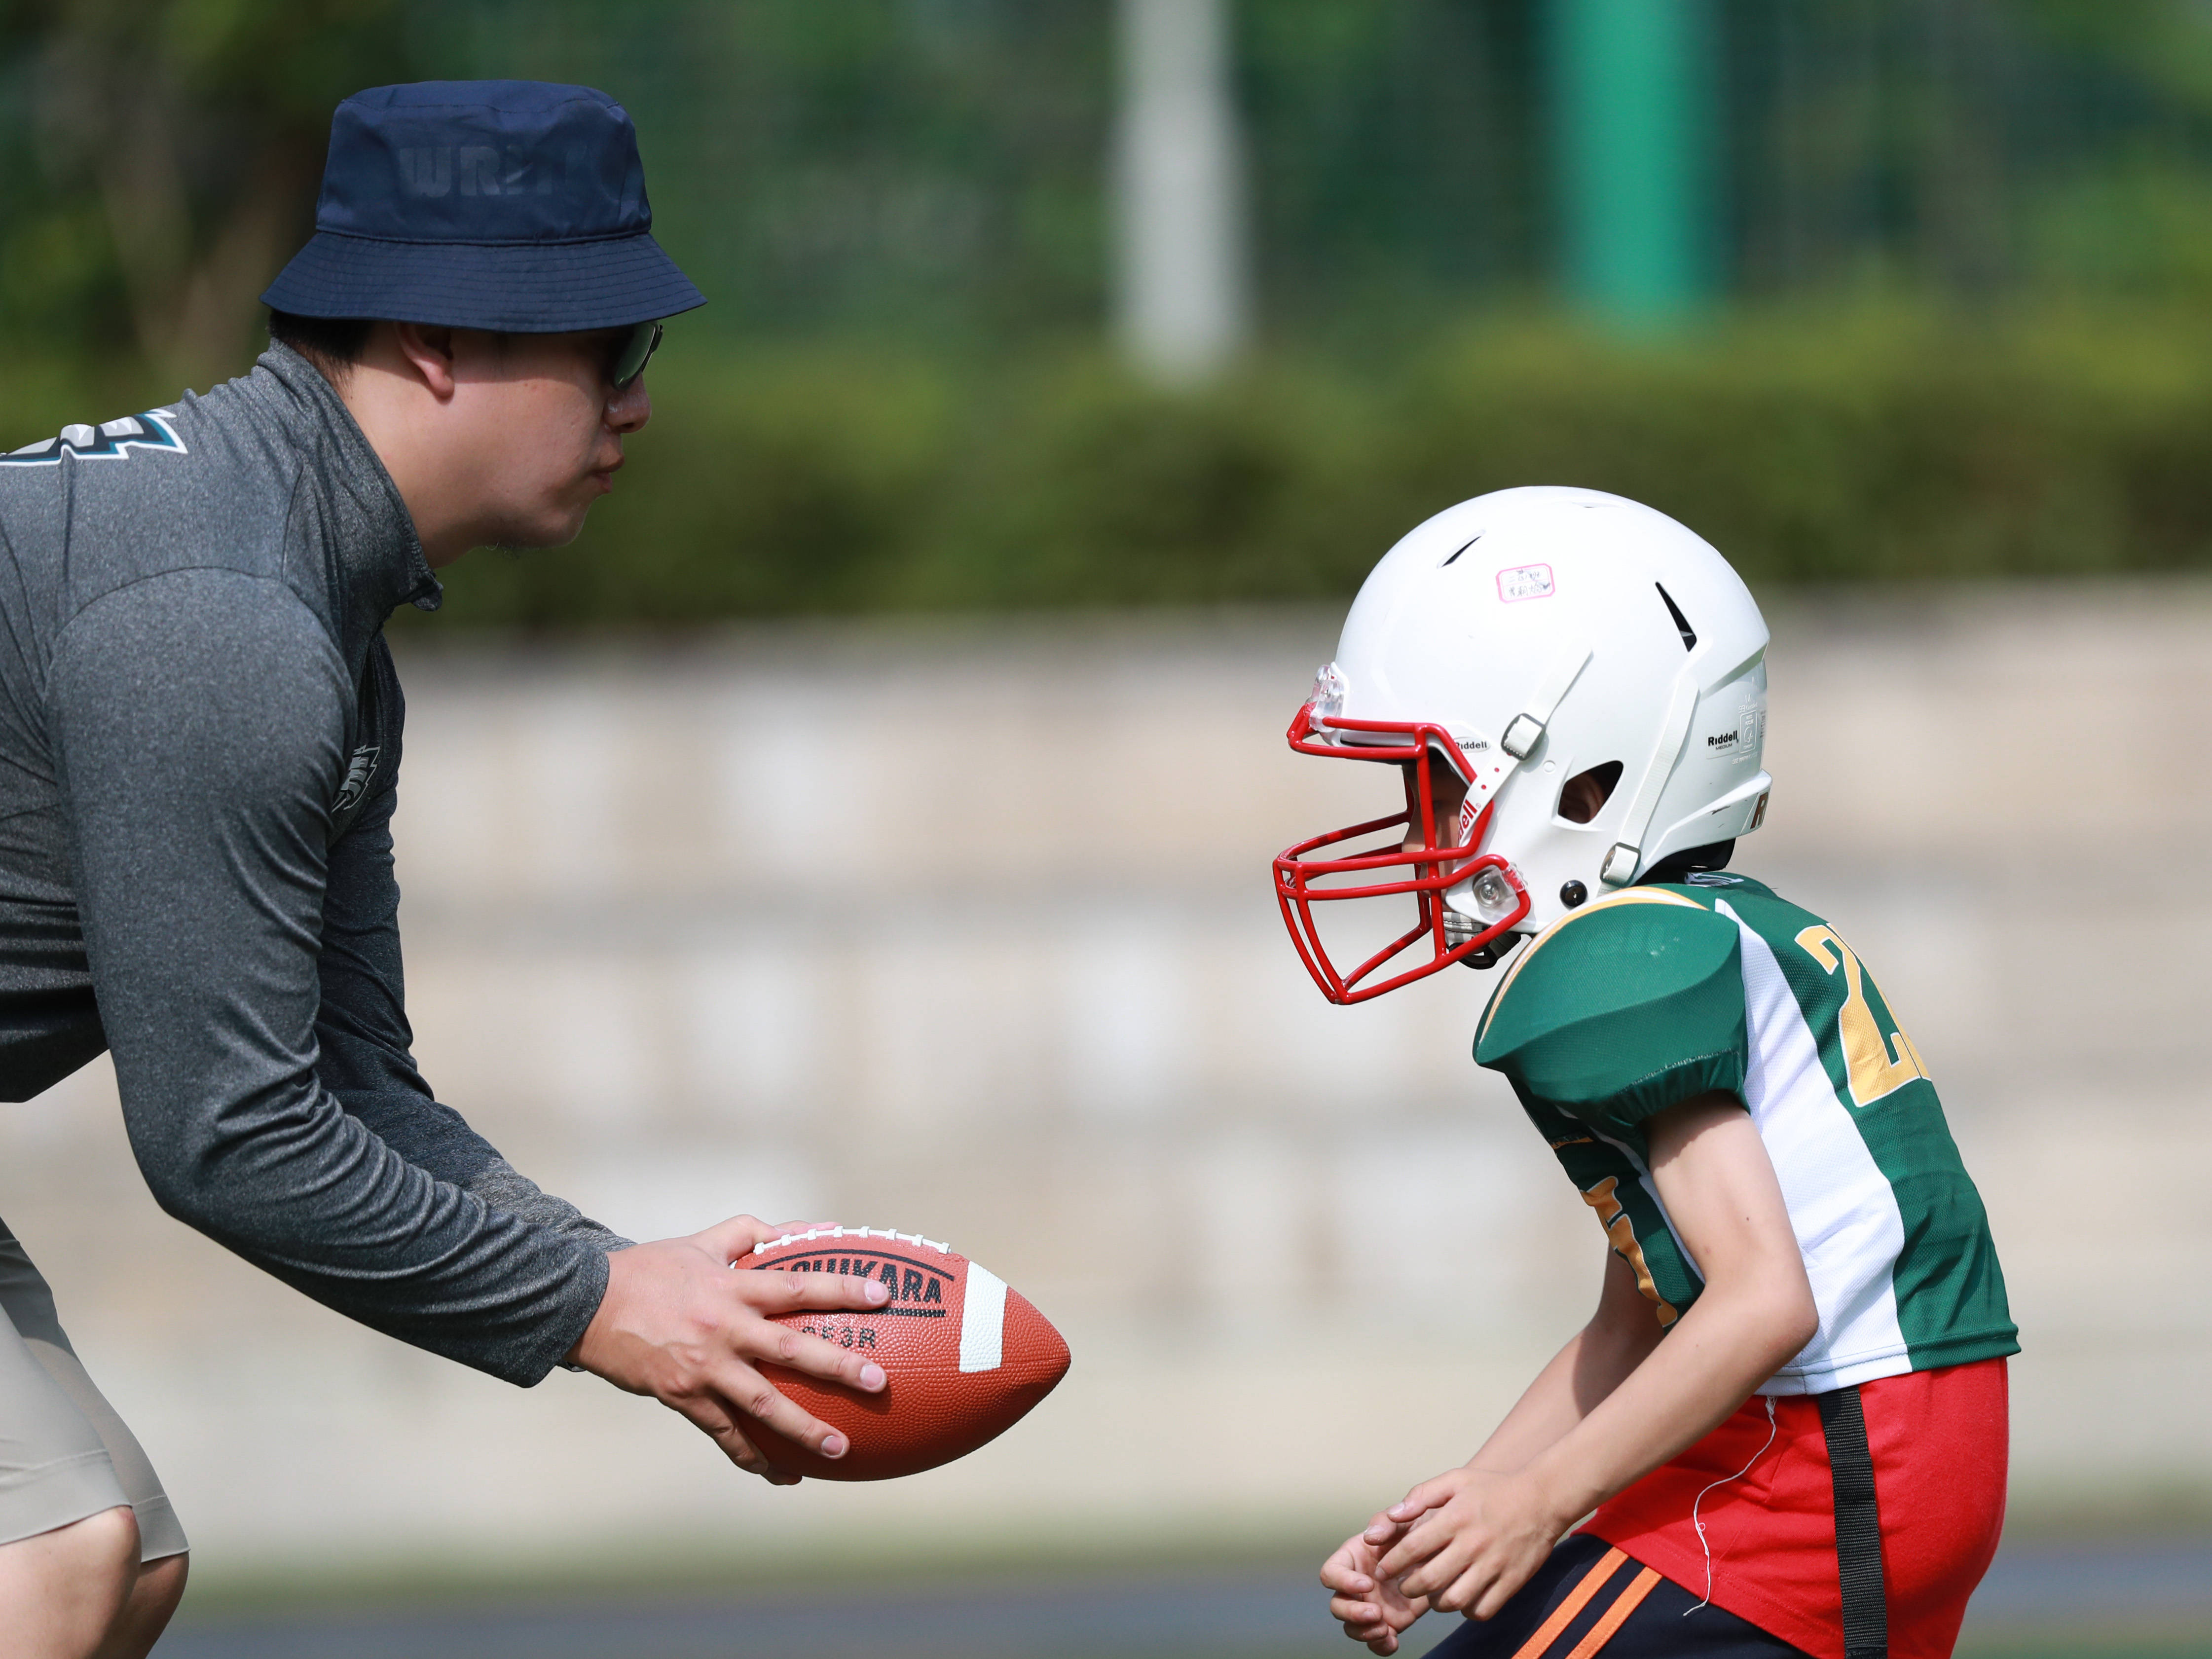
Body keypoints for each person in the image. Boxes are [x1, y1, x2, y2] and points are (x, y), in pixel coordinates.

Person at [0, 81, 887, 1659]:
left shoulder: (310, 613)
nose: (637, 401)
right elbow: (232, 1139)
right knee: (53, 1559)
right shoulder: (225, 619)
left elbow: (347, 1078)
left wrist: (617, 1265)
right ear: (436, 346)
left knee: (118, 1568)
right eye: (606, 345)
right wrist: (605, 1318)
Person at [1277, 487, 2016, 1658]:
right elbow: (1638, 1317)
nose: (1413, 832)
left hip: (1820, 1458)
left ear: (1585, 780)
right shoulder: (1714, 926)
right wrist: (1466, 1503)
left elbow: (1764, 1298)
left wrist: (1541, 1499)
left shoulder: (1610, 964)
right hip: (1893, 1439)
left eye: (1431, 784)